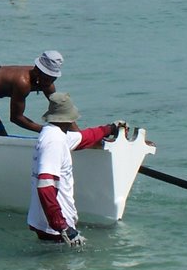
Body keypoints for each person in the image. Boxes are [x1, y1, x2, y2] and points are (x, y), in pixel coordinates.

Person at [28, 92, 127, 246]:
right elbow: (45, 187)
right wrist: (63, 226)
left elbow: (83, 137)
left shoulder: (53, 133)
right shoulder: (54, 142)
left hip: (47, 224)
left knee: (50, 268)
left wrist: (110, 128)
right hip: (56, 229)